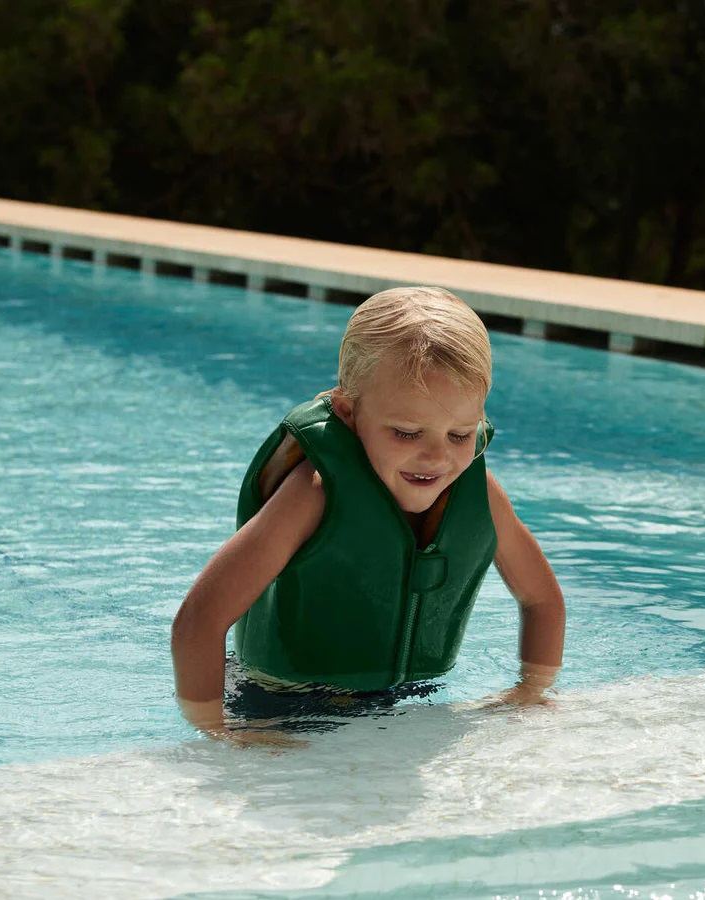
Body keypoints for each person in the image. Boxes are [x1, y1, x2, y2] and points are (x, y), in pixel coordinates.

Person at [171, 286, 566, 746]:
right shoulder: (314, 494)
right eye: (406, 432)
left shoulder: (477, 492)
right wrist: (216, 729)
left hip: (412, 697)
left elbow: (542, 600)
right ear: (348, 413)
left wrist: (532, 690)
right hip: (279, 700)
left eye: (460, 434)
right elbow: (198, 621)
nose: (436, 457)